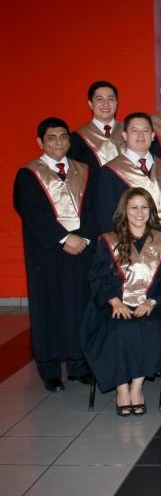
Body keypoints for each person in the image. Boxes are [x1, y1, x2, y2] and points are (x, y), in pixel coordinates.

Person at [14, 117, 97, 391]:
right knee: (48, 306)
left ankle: (78, 364)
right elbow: (32, 212)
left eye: (63, 136)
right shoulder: (29, 174)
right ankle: (49, 368)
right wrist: (64, 237)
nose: (58, 142)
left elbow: (94, 207)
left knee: (80, 306)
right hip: (48, 253)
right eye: (51, 137)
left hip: (82, 249)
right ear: (41, 142)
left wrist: (85, 237)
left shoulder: (85, 170)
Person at [81, 188, 161, 416]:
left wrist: (152, 302)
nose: (139, 212)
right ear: (124, 210)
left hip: (150, 306)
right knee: (119, 329)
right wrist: (114, 301)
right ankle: (121, 388)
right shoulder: (109, 240)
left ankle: (136, 387)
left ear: (151, 211)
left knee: (148, 328)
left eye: (144, 207)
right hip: (113, 305)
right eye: (134, 207)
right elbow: (98, 277)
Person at [98, 112, 161, 234]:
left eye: (145, 130)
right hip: (127, 238)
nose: (140, 135)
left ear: (152, 135)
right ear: (125, 136)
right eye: (134, 131)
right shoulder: (109, 172)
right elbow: (107, 215)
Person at [69, 80, 124, 172]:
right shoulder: (77, 137)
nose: (105, 104)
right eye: (99, 99)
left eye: (110, 99)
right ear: (90, 104)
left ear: (116, 103)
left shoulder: (129, 132)